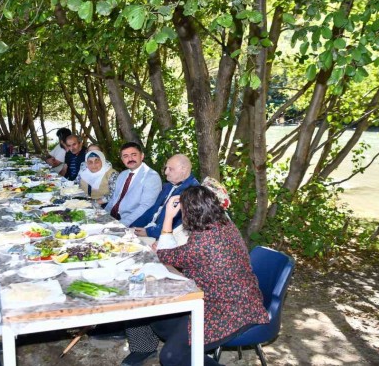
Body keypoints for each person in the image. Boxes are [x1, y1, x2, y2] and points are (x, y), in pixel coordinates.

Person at [122, 186, 269, 366]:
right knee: (160, 322)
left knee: (171, 357)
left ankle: (186, 354)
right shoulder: (223, 224)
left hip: (231, 312)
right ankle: (188, 352)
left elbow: (164, 254)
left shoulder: (202, 243)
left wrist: (168, 216)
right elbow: (174, 253)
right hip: (236, 299)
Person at [131, 154, 199, 239]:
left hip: (163, 237)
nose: (166, 172)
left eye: (170, 169)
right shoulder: (167, 186)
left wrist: (149, 232)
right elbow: (153, 210)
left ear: (183, 169)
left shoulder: (194, 192)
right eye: (166, 168)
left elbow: (179, 224)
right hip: (149, 228)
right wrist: (133, 226)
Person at [104, 142, 162, 227]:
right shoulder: (122, 174)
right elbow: (114, 199)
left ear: (142, 156)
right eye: (125, 156)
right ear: (122, 159)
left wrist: (121, 224)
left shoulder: (151, 176)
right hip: (113, 217)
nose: (130, 159)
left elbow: (145, 207)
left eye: (134, 155)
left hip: (132, 222)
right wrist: (103, 215)